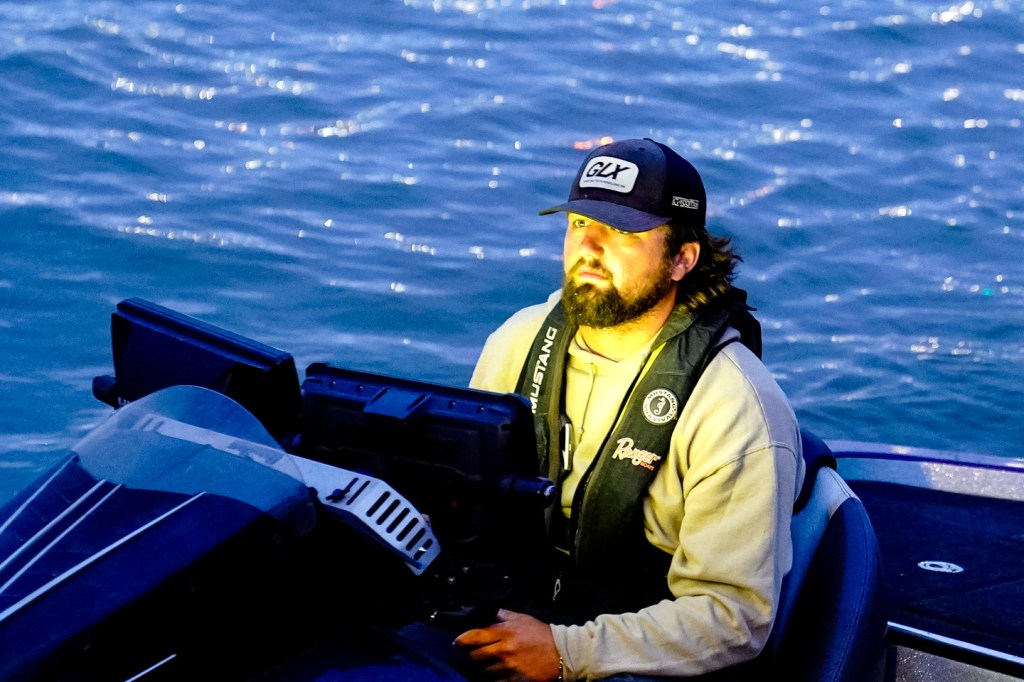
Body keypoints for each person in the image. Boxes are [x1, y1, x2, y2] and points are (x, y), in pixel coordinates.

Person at [453, 138, 805, 681]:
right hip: (514, 612)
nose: (588, 247)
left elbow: (734, 617)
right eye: (578, 224)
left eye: (621, 232)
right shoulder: (517, 341)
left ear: (682, 259)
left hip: (640, 657)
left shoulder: (736, 407)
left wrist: (567, 652)